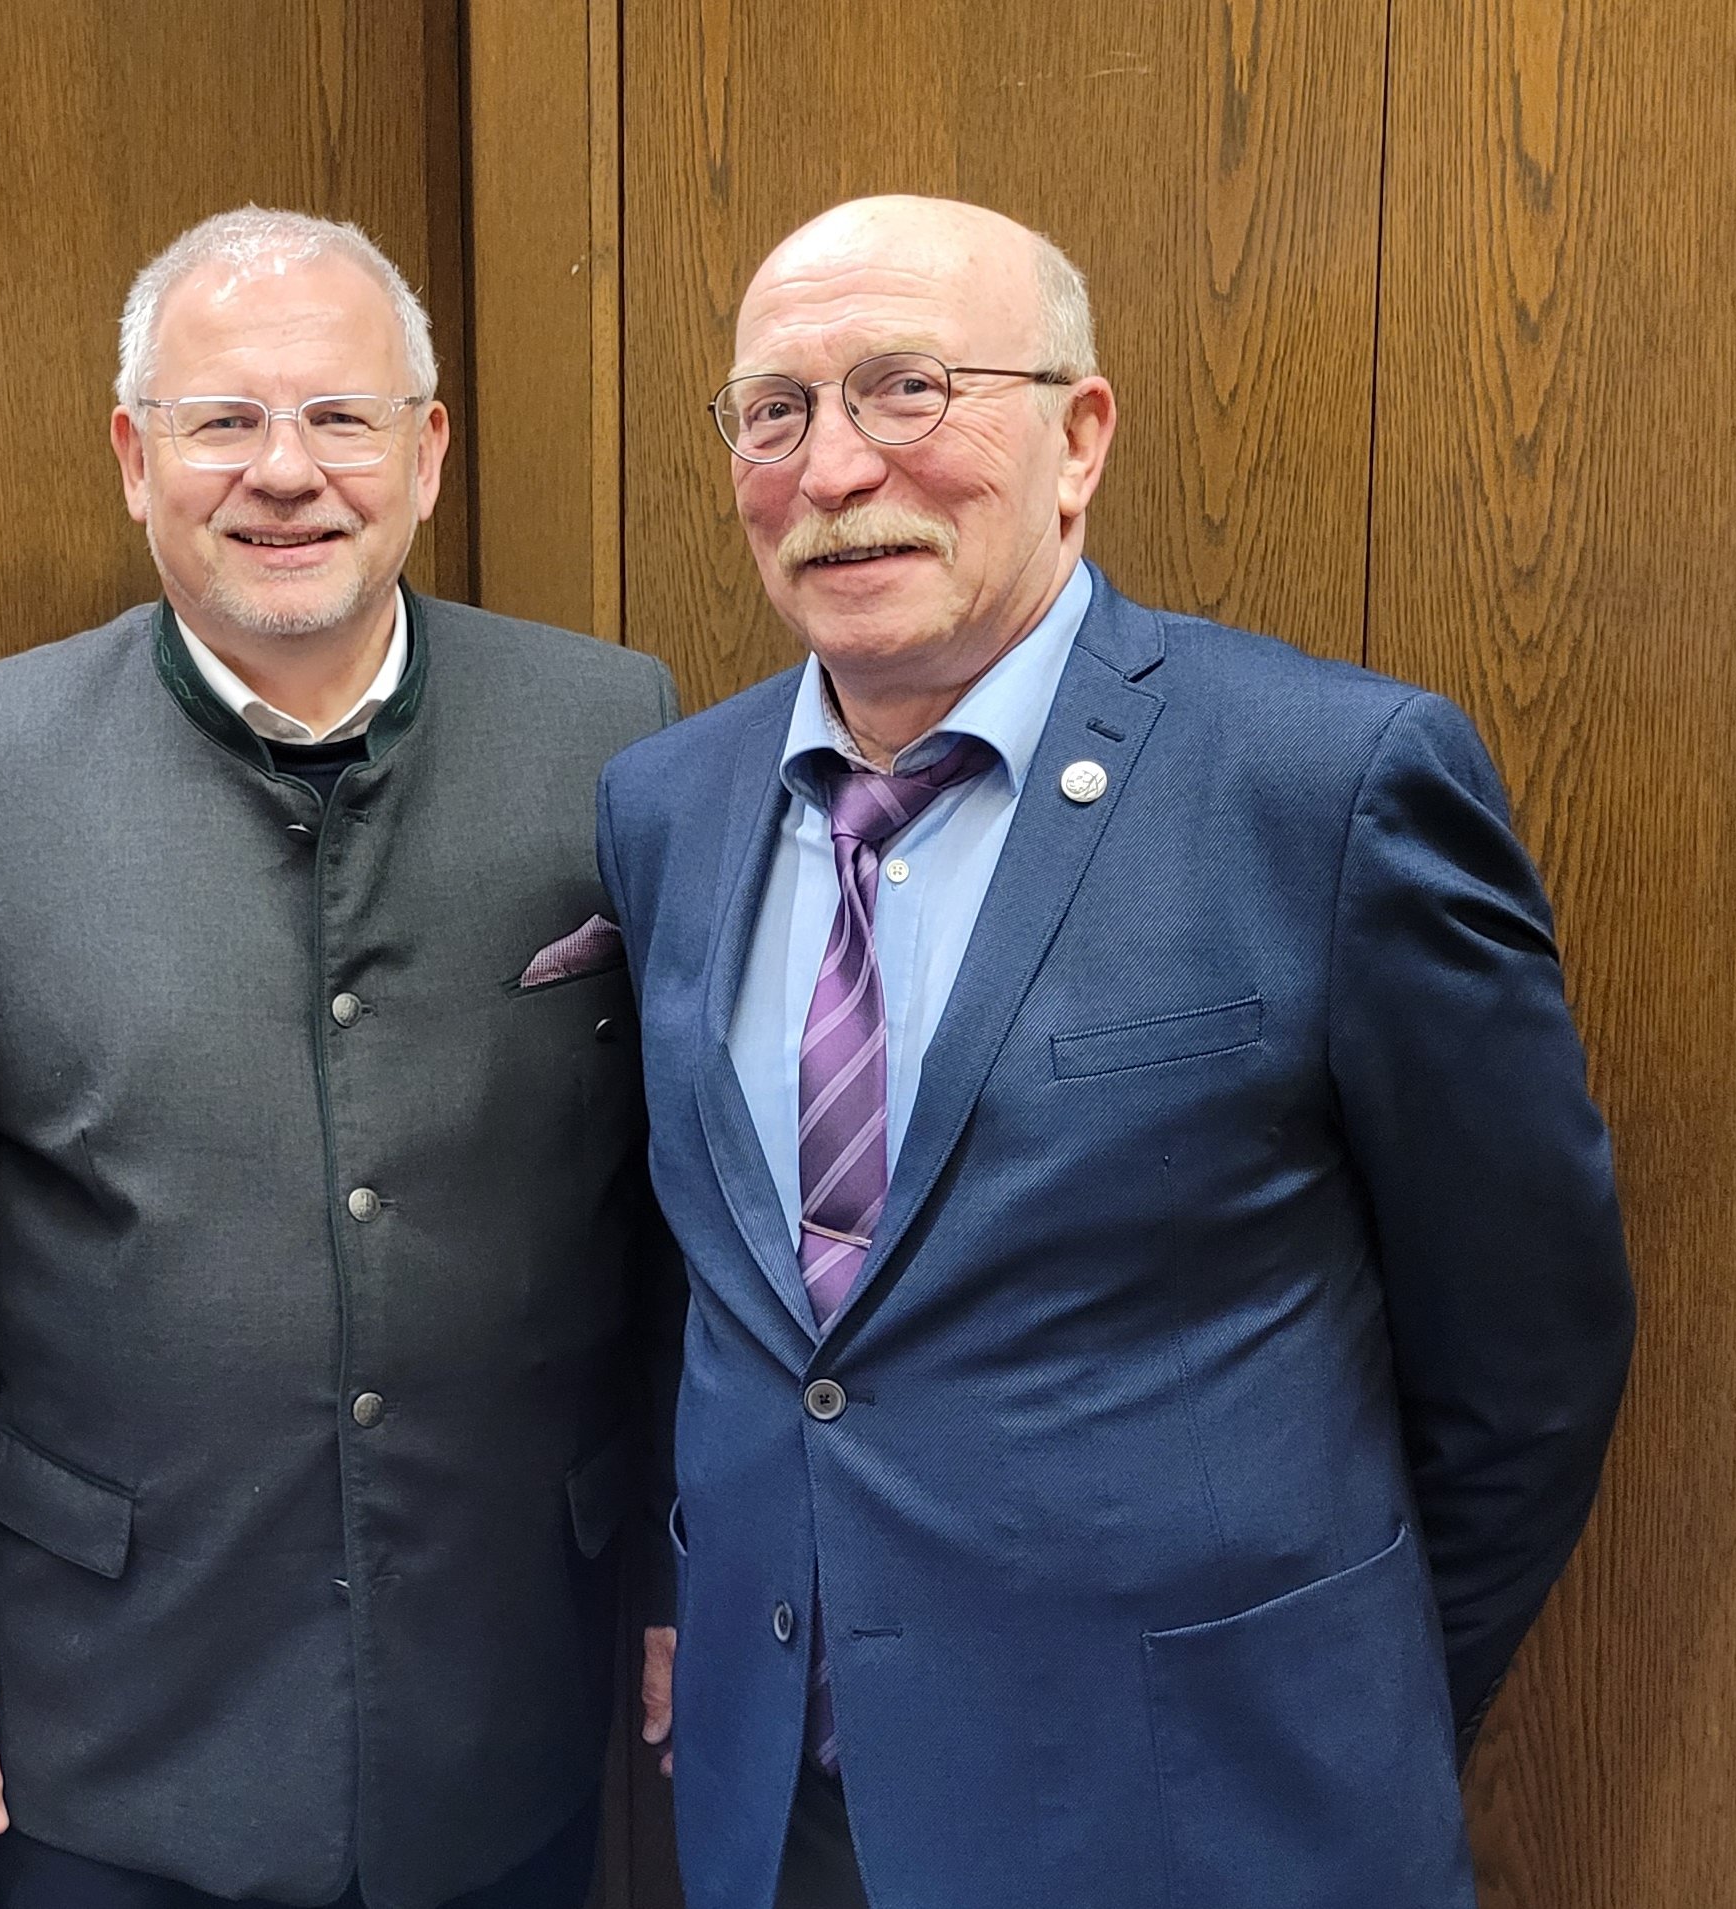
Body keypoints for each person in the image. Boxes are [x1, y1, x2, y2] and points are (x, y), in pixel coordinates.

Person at [595, 196, 1633, 1909]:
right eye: (774, 410)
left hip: (1207, 1817)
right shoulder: (666, 803)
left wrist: (1326, 1702)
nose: (833, 467)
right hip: (788, 1812)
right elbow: (716, 1292)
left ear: (1079, 436)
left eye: (906, 388)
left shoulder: (1327, 783)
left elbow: (1528, 1358)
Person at [0, 207, 683, 1909]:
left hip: (500, 1696)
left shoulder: (609, 732)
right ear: (136, 459)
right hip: (101, 1725)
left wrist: (676, 1571)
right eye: (224, 420)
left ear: (426, 456)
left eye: (340, 417)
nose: (284, 471)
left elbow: (666, 1227)